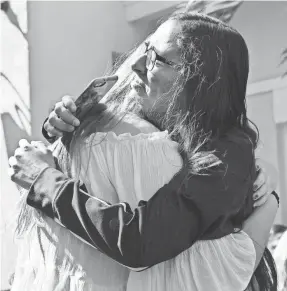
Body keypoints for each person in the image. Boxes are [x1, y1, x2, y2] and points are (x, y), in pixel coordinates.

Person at [9, 11, 279, 291]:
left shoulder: (226, 155)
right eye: (145, 50)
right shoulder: (148, 121)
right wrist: (60, 123)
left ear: (201, 80)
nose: (135, 65)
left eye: (155, 60)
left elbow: (140, 242)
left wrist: (44, 182)